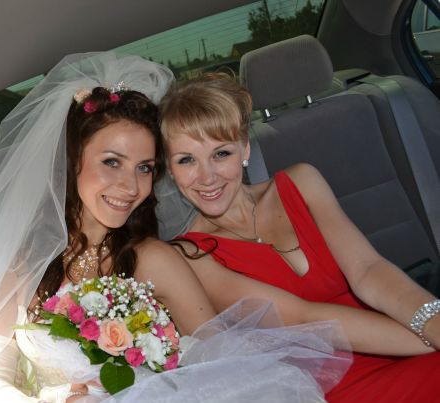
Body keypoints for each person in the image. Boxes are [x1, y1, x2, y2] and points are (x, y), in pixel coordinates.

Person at [0, 53, 350, 403]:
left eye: (145, 168)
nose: (131, 185)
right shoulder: (23, 267)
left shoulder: (153, 259)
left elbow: (215, 353)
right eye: (112, 162)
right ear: (73, 162)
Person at [156, 72, 440, 403]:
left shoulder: (302, 182)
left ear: (245, 148)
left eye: (221, 154)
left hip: (393, 338)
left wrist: (431, 321)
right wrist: (429, 338)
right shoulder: (190, 255)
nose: (207, 177)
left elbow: (368, 269)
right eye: (186, 160)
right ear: (170, 169)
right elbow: (306, 319)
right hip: (325, 385)